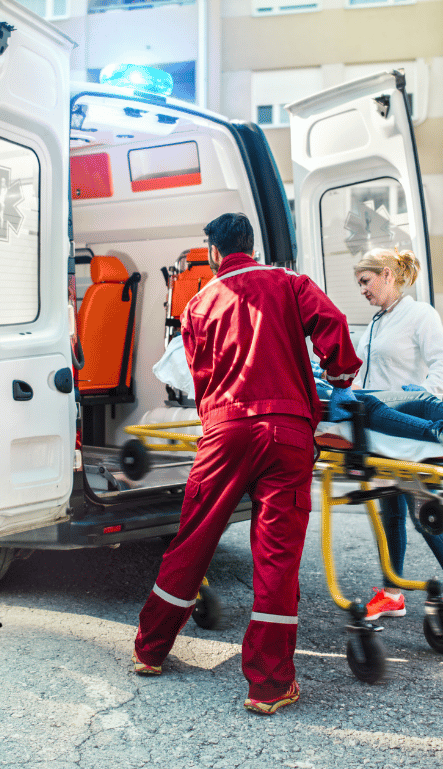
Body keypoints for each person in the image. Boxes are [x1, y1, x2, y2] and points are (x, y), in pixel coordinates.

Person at [132, 212, 363, 715]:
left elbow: (199, 377)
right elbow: (334, 326)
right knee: (276, 557)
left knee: (193, 539)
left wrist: (217, 419)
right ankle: (269, 686)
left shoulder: (198, 304)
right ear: (251, 245)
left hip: (226, 432)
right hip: (288, 431)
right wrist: (340, 373)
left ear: (214, 251)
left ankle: (150, 651)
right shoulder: (289, 282)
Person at [345, 247, 443, 627]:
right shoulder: (376, 323)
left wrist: (424, 397)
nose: (362, 290)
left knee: (423, 512)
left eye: (365, 281)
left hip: (409, 429)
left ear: (387, 274)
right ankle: (392, 594)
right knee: (390, 513)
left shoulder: (419, 314)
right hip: (381, 432)